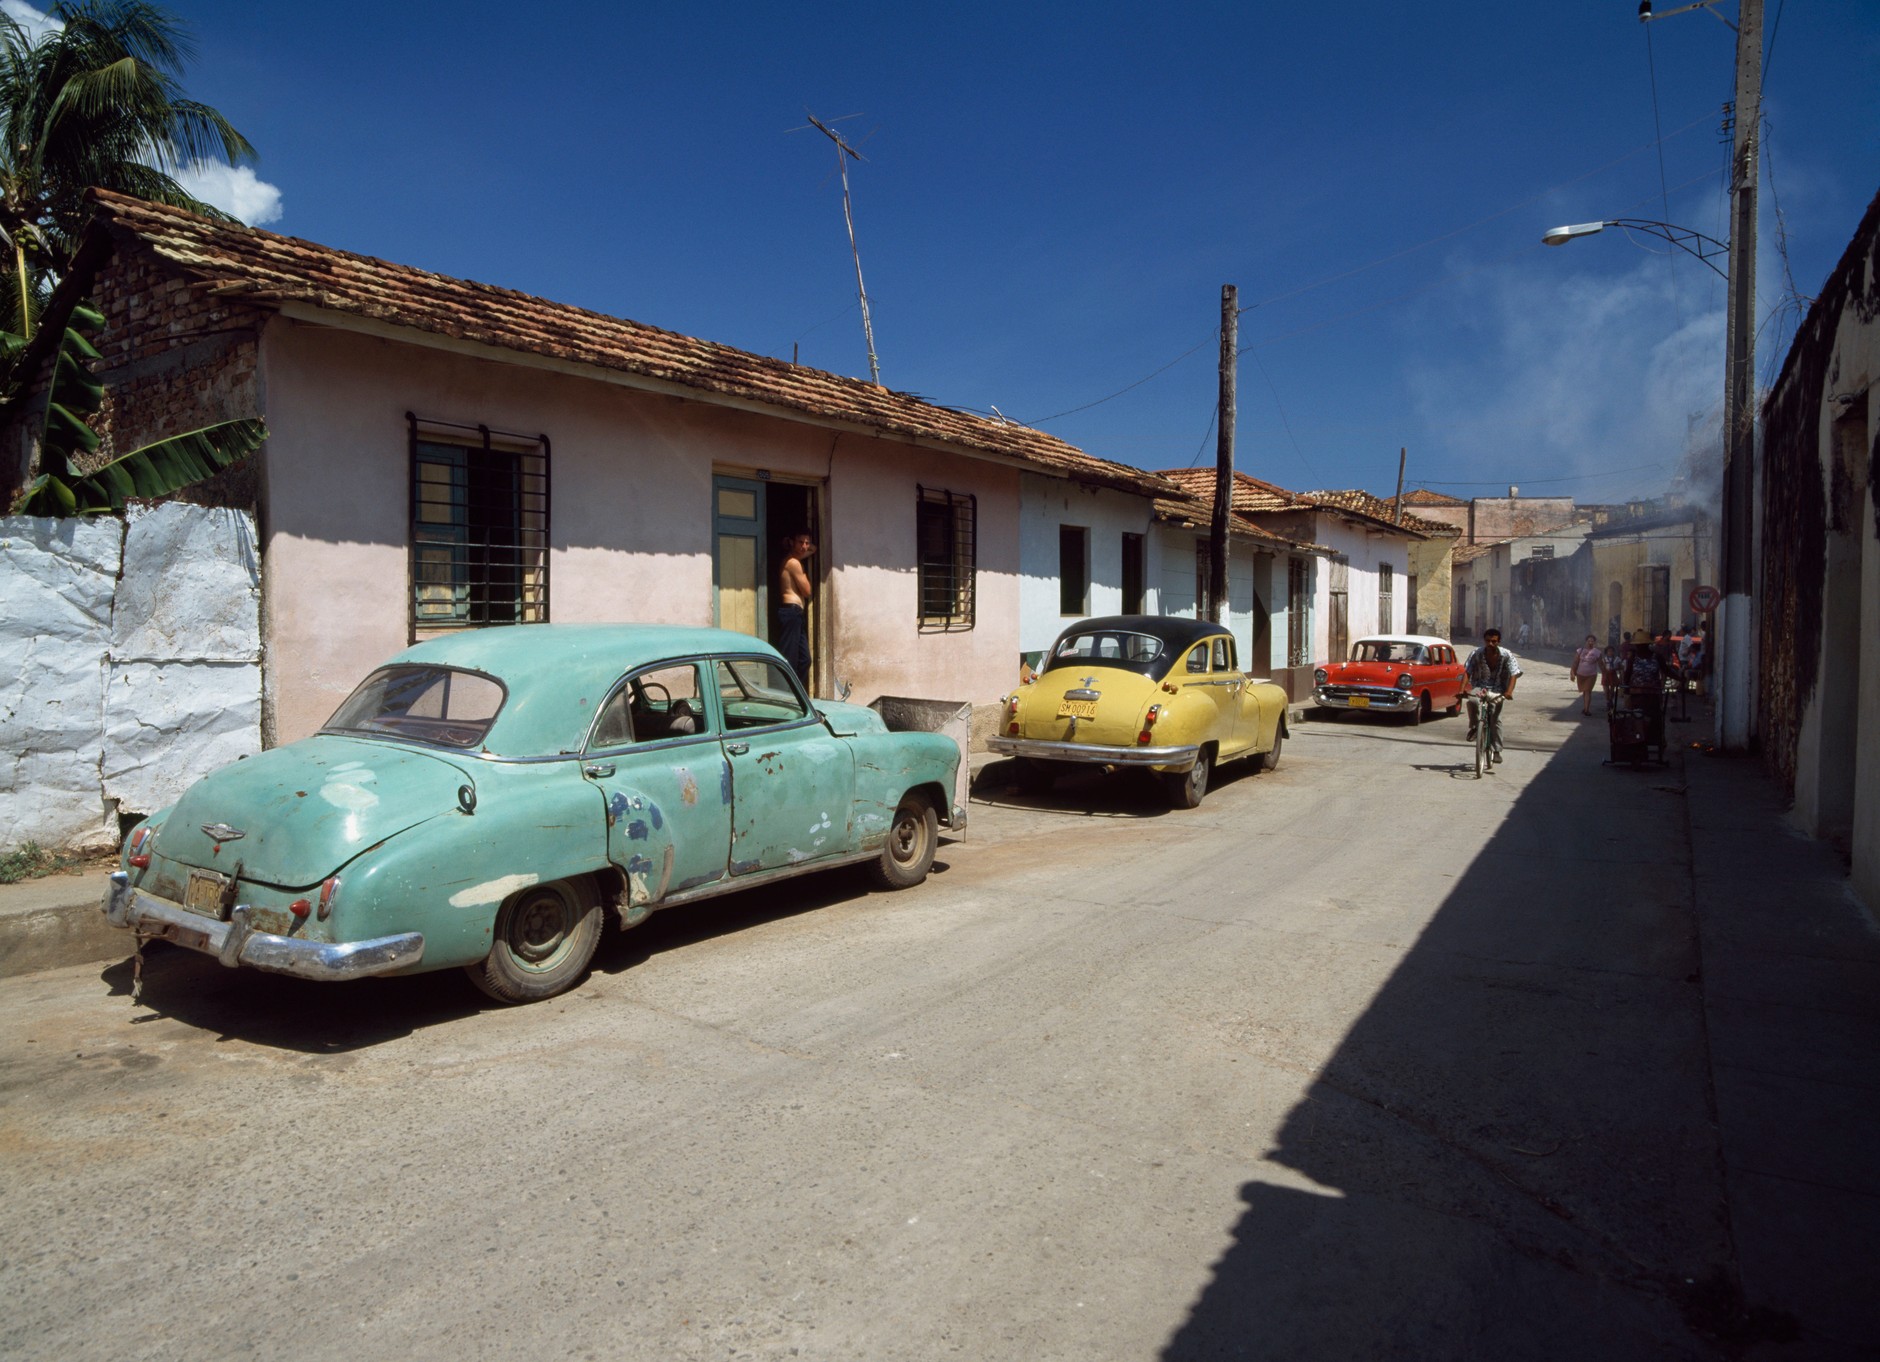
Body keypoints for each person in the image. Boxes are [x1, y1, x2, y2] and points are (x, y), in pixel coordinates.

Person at [1463, 626, 1519, 757]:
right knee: (1472, 702)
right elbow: (1467, 672)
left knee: (1495, 717)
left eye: (1494, 641)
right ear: (1484, 640)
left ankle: (1497, 750)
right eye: (1488, 641)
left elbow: (1514, 673)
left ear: (1498, 642)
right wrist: (1462, 689)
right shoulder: (1476, 653)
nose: (1490, 644)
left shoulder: (1506, 655)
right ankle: (1475, 727)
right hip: (1480, 686)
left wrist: (1509, 692)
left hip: (1498, 688)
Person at [777, 531, 815, 688]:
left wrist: (800, 546)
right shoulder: (793, 563)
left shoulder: (795, 559)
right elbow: (807, 591)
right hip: (790, 612)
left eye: (807, 542)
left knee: (805, 660)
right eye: (800, 542)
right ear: (792, 542)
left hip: (796, 614)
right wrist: (805, 575)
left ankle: (794, 691)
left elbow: (814, 549)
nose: (805, 547)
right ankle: (785, 692)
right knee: (789, 658)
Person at [1569, 634, 1604, 716]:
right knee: (1585, 691)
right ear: (1586, 641)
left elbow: (1601, 664)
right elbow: (1575, 662)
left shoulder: (1597, 652)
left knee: (1588, 691)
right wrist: (1572, 673)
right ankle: (1585, 707)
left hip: (1591, 675)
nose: (1590, 642)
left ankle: (1586, 710)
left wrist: (1605, 673)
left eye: (1592, 641)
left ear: (1594, 642)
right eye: (1589, 641)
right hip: (1580, 674)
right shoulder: (1580, 651)